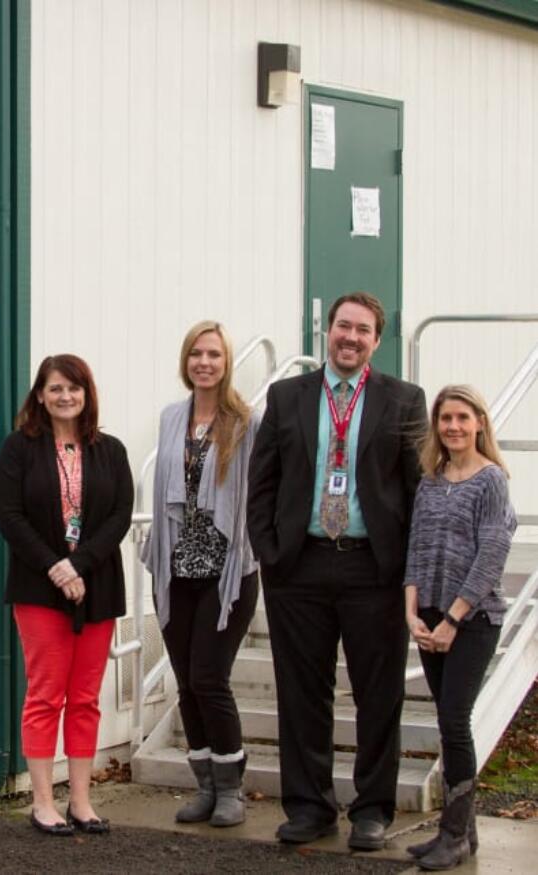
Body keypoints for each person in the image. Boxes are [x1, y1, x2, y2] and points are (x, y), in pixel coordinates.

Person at [247, 292, 427, 850]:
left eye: (364, 330)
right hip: (299, 567)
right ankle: (309, 807)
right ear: (327, 331)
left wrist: (410, 573)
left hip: (373, 568)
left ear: (377, 340)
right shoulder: (286, 396)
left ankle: (372, 809)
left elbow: (417, 492)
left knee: (378, 695)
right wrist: (271, 555)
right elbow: (263, 484)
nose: (351, 337)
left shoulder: (404, 400)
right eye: (343, 326)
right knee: (302, 693)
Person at [0, 354, 133, 836]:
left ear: (87, 394)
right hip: (39, 589)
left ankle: (80, 801)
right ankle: (43, 802)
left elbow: (119, 517)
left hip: (97, 586)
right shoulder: (18, 449)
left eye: (74, 388)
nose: (65, 396)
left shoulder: (110, 450)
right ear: (39, 395)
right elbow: (10, 517)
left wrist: (79, 563)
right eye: (55, 389)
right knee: (46, 695)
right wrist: (57, 567)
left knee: (86, 698)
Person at [142, 322, 261, 827]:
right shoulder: (172, 417)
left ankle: (232, 788)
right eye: (196, 353)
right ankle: (205, 786)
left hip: (226, 571)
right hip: (175, 568)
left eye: (213, 354)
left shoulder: (246, 421)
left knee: (211, 678)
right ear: (185, 361)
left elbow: (257, 492)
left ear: (226, 361)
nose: (204, 362)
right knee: (187, 683)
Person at [402, 385, 515, 871]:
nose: (452, 426)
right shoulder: (432, 478)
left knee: (454, 721)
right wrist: (412, 611)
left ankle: (453, 832)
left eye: (462, 418)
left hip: (472, 619)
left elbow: (492, 556)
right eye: (445, 418)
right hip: (427, 616)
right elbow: (416, 546)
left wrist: (452, 618)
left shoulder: (491, 481)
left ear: (480, 423)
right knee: (447, 726)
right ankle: (461, 833)